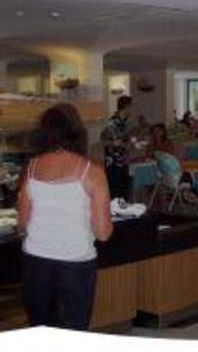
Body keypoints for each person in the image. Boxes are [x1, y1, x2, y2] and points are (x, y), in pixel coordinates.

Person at [16, 103, 114, 331]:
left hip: (36, 263)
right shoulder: (92, 171)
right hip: (76, 264)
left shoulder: (31, 168)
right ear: (77, 131)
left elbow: (22, 224)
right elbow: (103, 233)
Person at [99, 96, 135, 199]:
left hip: (124, 163)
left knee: (124, 194)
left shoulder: (125, 123)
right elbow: (105, 141)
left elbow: (125, 140)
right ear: (127, 107)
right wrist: (124, 144)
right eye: (131, 107)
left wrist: (132, 143)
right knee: (115, 195)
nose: (132, 110)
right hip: (114, 164)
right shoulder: (112, 122)